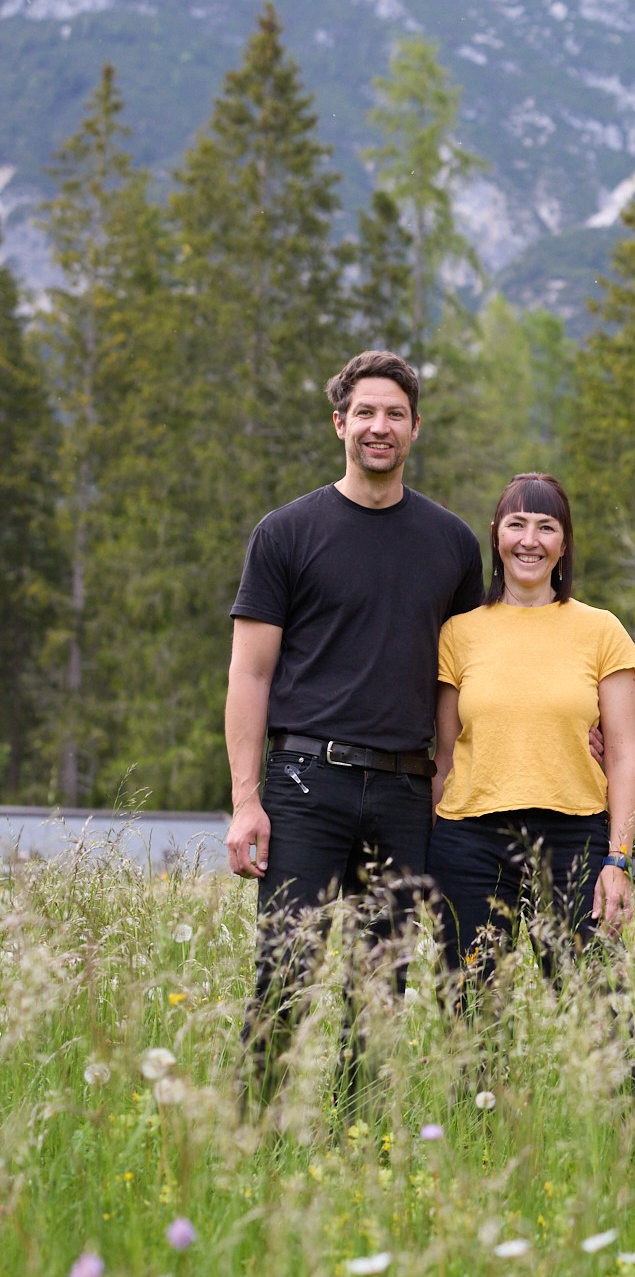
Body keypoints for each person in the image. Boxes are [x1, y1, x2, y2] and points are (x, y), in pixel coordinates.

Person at [225, 349, 483, 1108]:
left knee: (383, 981)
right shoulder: (287, 533)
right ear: (340, 423)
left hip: (407, 792)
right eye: (365, 412)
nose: (380, 426)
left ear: (415, 428)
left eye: (395, 414)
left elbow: (466, 676)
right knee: (288, 968)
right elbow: (250, 675)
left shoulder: (451, 544)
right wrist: (247, 798)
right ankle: (249, 1137)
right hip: (305, 782)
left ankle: (354, 1142)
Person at [428, 472, 635, 996]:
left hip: (575, 837)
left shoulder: (601, 630)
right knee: (471, 1012)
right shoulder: (458, 633)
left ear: (564, 544)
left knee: (597, 1012)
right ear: (496, 536)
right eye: (517, 524)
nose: (530, 540)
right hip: (470, 839)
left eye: (546, 527)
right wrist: (426, 847)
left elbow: (622, 755)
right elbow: (444, 756)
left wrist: (618, 859)